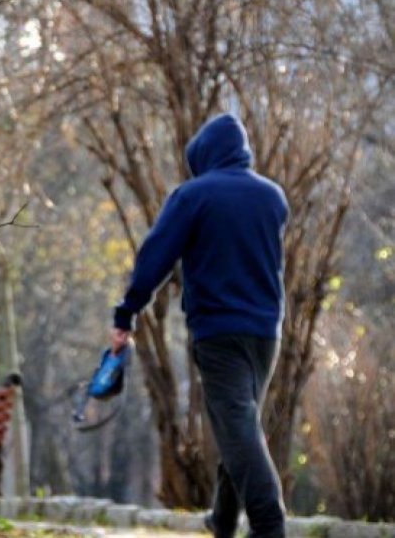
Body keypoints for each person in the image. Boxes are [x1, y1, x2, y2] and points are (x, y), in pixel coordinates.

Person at [110, 113, 288, 538]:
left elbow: (155, 257)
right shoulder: (274, 197)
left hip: (218, 331)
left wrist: (126, 314)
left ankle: (269, 524)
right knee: (238, 421)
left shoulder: (193, 196)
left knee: (237, 423)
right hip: (266, 333)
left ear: (205, 155)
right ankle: (223, 519)